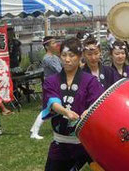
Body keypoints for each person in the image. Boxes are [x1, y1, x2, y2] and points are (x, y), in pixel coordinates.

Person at [42, 37, 104, 171]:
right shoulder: (51, 81)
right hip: (61, 143)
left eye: (71, 55)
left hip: (86, 145)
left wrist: (90, 112)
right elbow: (52, 102)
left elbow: (97, 103)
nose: (67, 59)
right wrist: (65, 112)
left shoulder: (90, 81)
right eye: (63, 55)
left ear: (80, 56)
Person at [30, 36, 62, 140]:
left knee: (56, 108)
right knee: (47, 108)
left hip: (56, 85)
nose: (56, 44)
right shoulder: (48, 58)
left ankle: (34, 129)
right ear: (47, 47)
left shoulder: (55, 57)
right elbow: (60, 70)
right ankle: (34, 132)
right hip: (51, 86)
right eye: (53, 43)